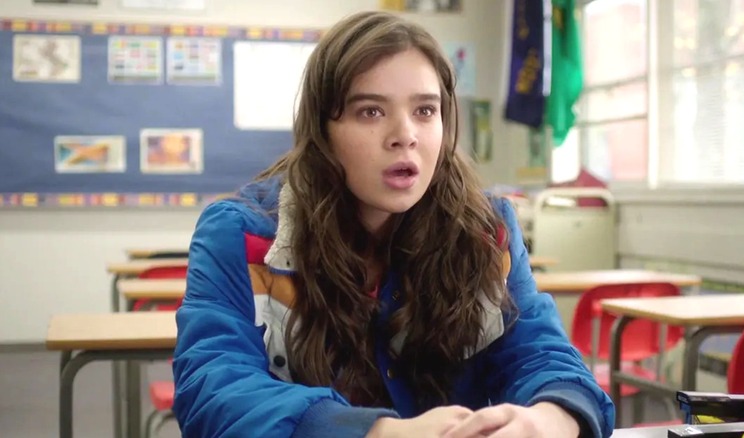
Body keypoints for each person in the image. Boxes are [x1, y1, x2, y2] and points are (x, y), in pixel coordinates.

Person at [172, 10, 615, 438]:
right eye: (370, 112)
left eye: (425, 111)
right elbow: (214, 390)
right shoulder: (241, 234)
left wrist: (549, 418)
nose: (406, 134)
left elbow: (541, 353)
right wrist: (379, 433)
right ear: (322, 129)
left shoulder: (487, 228)